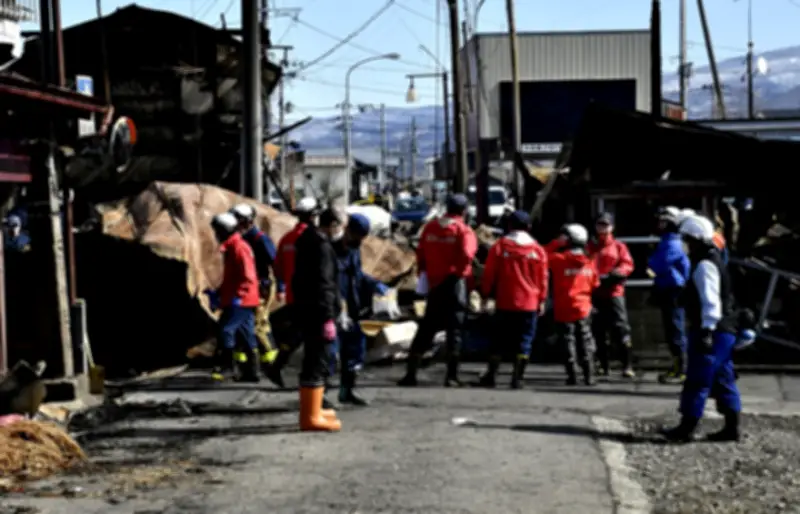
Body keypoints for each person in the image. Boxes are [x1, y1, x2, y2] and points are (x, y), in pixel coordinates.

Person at [662, 214, 742, 443]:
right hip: (725, 330)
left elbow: (710, 301)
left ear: (695, 239)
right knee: (723, 377)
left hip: (711, 330)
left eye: (687, 239)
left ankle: (687, 428)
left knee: (698, 378)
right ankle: (731, 426)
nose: (685, 243)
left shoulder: (704, 264)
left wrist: (706, 330)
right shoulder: (715, 258)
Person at [397, 193, 478, 387]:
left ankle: (410, 374)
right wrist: (460, 272)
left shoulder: (431, 227)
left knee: (427, 328)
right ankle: (451, 377)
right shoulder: (463, 230)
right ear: (464, 211)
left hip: (435, 284)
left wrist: (426, 274)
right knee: (454, 330)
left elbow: (421, 254)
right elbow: (467, 255)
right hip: (455, 283)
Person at [478, 210, 548, 389]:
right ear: (529, 227)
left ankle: (491, 376)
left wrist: (485, 295)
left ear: (509, 226)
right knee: (525, 340)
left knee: (498, 340)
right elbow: (543, 278)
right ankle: (518, 378)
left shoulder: (500, 246)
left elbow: (489, 274)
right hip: (530, 303)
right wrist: (542, 300)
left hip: (505, 301)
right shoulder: (537, 250)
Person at [292, 206, 344, 432]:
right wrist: (328, 317)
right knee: (317, 361)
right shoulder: (321, 247)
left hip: (307, 308)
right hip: (317, 312)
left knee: (314, 359)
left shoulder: (307, 241)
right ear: (332, 225)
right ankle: (311, 416)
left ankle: (313, 411)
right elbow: (324, 285)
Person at [332, 213, 390, 405]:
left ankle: (347, 391)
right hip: (335, 307)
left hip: (353, 307)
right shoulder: (332, 248)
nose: (360, 241)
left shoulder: (354, 249)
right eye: (358, 236)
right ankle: (319, 396)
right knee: (329, 354)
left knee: (355, 351)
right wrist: (338, 306)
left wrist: (374, 285)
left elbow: (356, 275)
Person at [265, 197, 319, 388]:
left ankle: (279, 366)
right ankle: (309, 379)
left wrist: (283, 286)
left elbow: (278, 268)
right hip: (311, 296)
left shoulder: (287, 239)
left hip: (293, 295)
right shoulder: (313, 238)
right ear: (313, 216)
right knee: (310, 337)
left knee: (296, 334)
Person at [206, 212, 261, 382]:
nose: (216, 234)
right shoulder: (231, 248)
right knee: (246, 334)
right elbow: (232, 278)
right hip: (239, 298)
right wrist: (219, 293)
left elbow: (248, 276)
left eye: (218, 231)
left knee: (225, 329)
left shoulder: (239, 248)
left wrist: (238, 297)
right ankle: (252, 372)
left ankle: (228, 367)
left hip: (242, 300)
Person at [545, 224, 600, 385]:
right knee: (586, 338)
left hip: (564, 306)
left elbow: (541, 255)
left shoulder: (559, 260)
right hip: (583, 306)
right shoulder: (590, 261)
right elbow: (595, 283)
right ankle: (590, 374)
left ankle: (573, 375)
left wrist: (556, 243)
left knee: (567, 340)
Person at [230, 203, 279, 367]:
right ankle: (246, 363)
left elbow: (275, 264)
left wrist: (280, 287)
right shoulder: (241, 239)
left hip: (261, 286)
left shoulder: (260, 240)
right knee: (245, 322)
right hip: (247, 286)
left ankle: (272, 360)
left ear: (246, 221)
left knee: (259, 323)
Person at [588, 212, 636, 378]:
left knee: (621, 328)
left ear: (612, 227)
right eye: (600, 224)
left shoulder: (618, 246)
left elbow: (628, 264)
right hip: (595, 292)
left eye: (606, 224)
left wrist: (618, 273)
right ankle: (603, 364)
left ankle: (627, 365)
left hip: (614, 292)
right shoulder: (590, 247)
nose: (603, 227)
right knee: (598, 329)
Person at [649, 206, 691, 385]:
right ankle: (678, 366)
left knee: (675, 329)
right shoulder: (670, 241)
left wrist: (651, 261)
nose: (659, 224)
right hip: (669, 288)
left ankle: (681, 369)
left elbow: (657, 264)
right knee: (673, 329)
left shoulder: (672, 242)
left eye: (663, 221)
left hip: (673, 290)